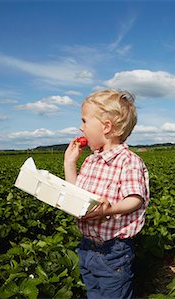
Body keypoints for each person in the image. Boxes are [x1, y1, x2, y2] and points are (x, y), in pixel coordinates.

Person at [64, 89, 149, 299]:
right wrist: (69, 163)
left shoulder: (128, 161)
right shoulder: (90, 161)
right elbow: (76, 194)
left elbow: (135, 199)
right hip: (86, 246)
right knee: (94, 293)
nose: (80, 127)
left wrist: (110, 209)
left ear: (106, 127)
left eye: (84, 121)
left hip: (114, 251)